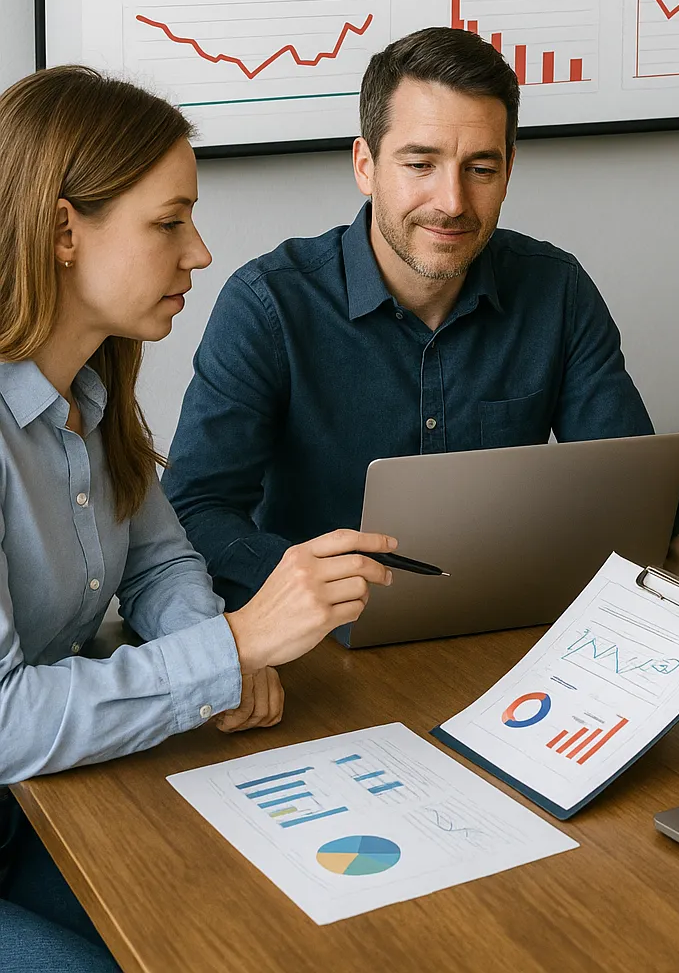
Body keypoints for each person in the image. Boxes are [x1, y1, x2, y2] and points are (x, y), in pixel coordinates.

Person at [0, 68, 395, 970]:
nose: (201, 252)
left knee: (245, 918)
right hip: (22, 790)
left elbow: (157, 561)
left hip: (35, 810)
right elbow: (5, 718)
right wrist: (232, 647)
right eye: (168, 222)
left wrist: (213, 640)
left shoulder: (93, 392)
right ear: (65, 230)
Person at [165, 26, 655, 609]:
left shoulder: (558, 291)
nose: (451, 201)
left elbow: (638, 505)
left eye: (480, 169)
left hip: (500, 622)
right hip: (321, 637)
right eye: (421, 164)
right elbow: (195, 512)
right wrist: (313, 583)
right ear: (365, 165)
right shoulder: (268, 304)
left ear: (509, 169)